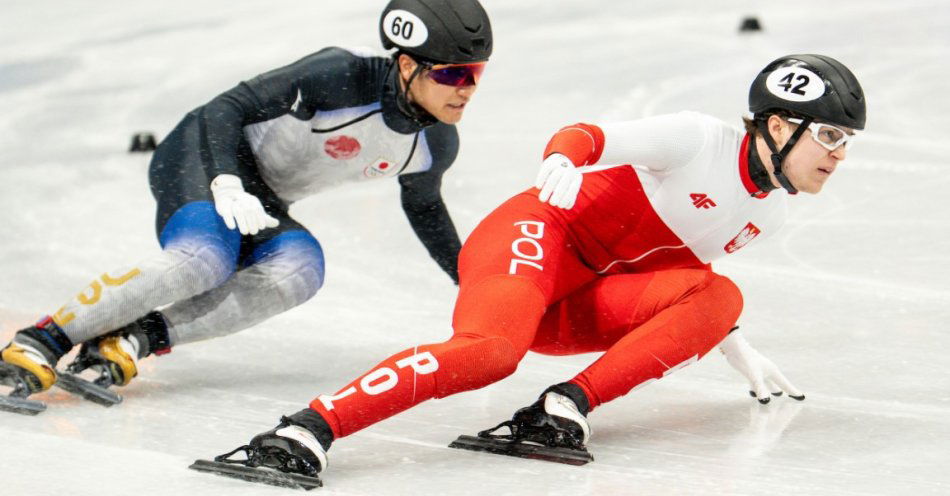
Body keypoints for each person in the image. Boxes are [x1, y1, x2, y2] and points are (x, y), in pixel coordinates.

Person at [206, 53, 866, 481]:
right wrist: (561, 159)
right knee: (491, 352)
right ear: (779, 128)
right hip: (536, 236)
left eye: (847, 142)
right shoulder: (699, 139)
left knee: (721, 298)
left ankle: (559, 408)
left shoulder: (771, 211)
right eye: (830, 136)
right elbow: (591, 136)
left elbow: (680, 276)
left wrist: (726, 339)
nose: (838, 155)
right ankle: (308, 427)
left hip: (577, 294)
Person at [0, 0, 493, 403]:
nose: (468, 89)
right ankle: (41, 339)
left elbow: (425, 207)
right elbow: (227, 107)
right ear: (407, 66)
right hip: (200, 155)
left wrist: (470, 281)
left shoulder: (435, 142)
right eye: (453, 75)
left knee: (301, 270)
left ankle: (135, 337)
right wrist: (225, 182)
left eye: (476, 73)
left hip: (260, 197)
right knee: (204, 261)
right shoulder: (342, 75)